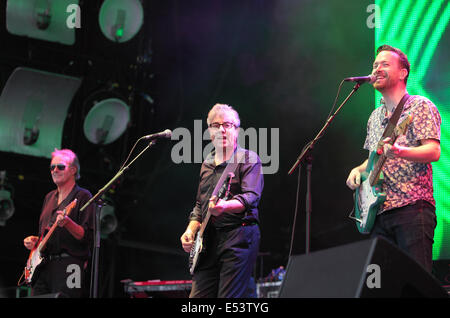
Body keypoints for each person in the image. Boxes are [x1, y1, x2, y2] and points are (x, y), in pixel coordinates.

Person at [346, 45, 441, 272]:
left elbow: (433, 152)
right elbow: (372, 159)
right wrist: (357, 171)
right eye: (375, 65)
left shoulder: (419, 106)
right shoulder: (375, 116)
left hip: (411, 209)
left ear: (403, 73)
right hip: (378, 214)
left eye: (384, 64)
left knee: (416, 285)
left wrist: (401, 152)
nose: (377, 69)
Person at [180, 103, 264, 297]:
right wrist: (191, 230)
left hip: (238, 237)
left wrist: (224, 206)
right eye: (216, 125)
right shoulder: (206, 165)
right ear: (210, 131)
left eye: (228, 124)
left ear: (237, 130)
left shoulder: (249, 159)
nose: (222, 130)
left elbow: (250, 197)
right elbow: (200, 206)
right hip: (208, 242)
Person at [23, 149, 95, 297]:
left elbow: (88, 236)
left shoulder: (82, 196)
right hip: (42, 267)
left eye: (60, 167)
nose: (55, 170)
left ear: (74, 170)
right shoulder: (49, 197)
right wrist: (36, 242)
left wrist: (68, 223)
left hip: (69, 265)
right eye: (52, 167)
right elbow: (44, 234)